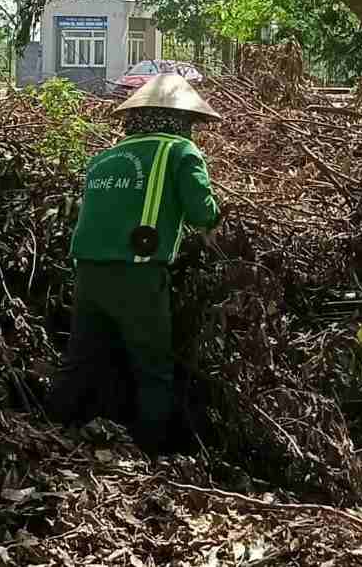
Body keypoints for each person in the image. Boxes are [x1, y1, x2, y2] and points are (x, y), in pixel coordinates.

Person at [47, 74, 221, 454]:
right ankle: (152, 455)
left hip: (89, 274)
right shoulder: (180, 152)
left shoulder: (104, 157)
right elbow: (202, 212)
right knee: (152, 368)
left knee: (79, 362)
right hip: (138, 275)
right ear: (180, 119)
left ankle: (47, 435)